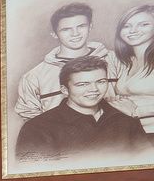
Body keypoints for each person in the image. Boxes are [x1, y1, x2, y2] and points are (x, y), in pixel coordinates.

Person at [14, 56, 153, 164]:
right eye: (82, 84)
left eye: (101, 81)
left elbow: (146, 165)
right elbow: (35, 178)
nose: (94, 89)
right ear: (64, 90)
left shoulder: (126, 119)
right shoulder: (37, 128)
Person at [14, 2, 124, 119]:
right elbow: (33, 121)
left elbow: (133, 95)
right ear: (54, 34)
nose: (75, 33)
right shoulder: (34, 77)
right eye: (66, 29)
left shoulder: (116, 60)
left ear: (90, 27)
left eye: (81, 26)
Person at [110, 3, 154, 129]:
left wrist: (136, 111)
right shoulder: (125, 62)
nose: (133, 30)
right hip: (132, 132)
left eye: (144, 24)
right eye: (126, 26)